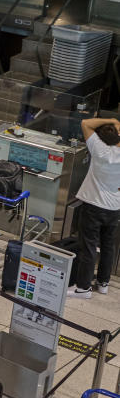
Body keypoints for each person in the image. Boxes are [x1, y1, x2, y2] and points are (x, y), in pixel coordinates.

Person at [70, 116, 120, 299]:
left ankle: (83, 288)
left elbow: (85, 123)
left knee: (89, 246)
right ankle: (103, 283)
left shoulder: (100, 150)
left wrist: (112, 119)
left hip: (93, 205)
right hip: (114, 207)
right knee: (108, 245)